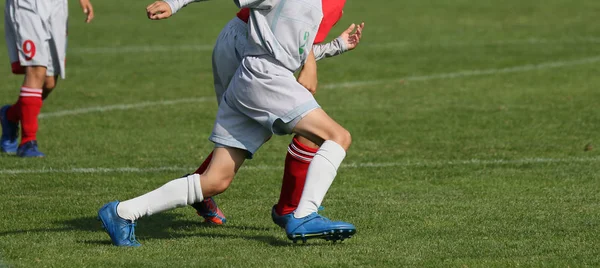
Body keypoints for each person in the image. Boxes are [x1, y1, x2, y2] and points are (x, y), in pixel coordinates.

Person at [99, 0, 357, 247]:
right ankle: (304, 215)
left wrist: (338, 45)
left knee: (215, 180)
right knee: (337, 137)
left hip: (252, 80)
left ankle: (122, 212)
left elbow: (295, 49)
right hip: (266, 77)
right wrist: (174, 2)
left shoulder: (316, 4)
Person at [1, 0, 95, 157]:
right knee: (36, 68)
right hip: (27, 4)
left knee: (49, 81)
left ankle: (10, 116)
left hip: (56, 5)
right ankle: (28, 142)